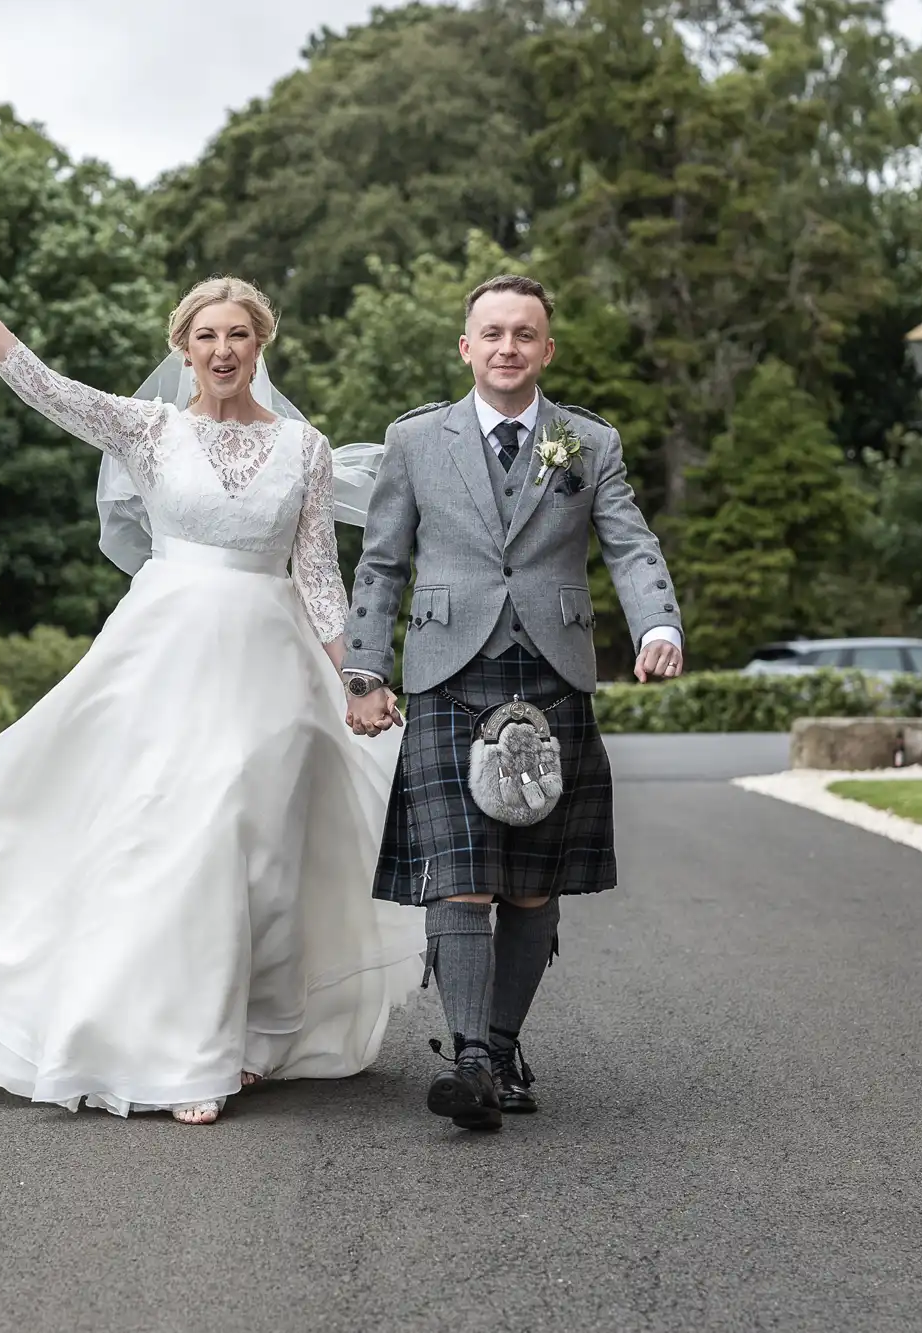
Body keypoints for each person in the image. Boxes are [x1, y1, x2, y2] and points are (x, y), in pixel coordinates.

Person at [0, 254, 423, 1126]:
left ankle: (258, 1034)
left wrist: (360, 679)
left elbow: (321, 579)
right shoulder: (148, 429)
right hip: (164, 655)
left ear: (262, 346)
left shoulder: (306, 447)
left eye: (239, 335)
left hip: (272, 663)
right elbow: (41, 384)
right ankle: (188, 1052)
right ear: (183, 348)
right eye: (206, 336)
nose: (223, 350)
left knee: (262, 855)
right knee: (191, 835)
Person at [343, 274, 685, 1130]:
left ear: (546, 350)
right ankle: (469, 1059)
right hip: (448, 673)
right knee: (457, 878)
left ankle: (500, 1043)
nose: (507, 347)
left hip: (552, 674)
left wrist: (656, 625)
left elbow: (632, 544)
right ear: (466, 347)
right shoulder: (416, 440)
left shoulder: (587, 443)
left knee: (530, 887)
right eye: (491, 333)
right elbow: (382, 563)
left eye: (523, 334)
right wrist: (364, 671)